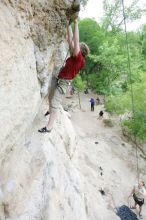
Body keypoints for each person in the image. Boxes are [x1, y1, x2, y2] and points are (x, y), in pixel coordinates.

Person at [38, 19, 89, 133]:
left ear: (81, 51)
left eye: (77, 47)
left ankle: (49, 127)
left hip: (63, 83)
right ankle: (50, 111)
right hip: (59, 79)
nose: (75, 47)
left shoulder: (79, 58)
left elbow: (75, 41)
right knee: (51, 98)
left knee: (55, 103)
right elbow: (70, 39)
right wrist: (68, 24)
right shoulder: (77, 58)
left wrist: (75, 23)